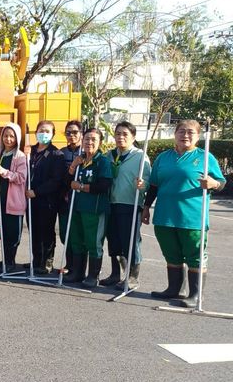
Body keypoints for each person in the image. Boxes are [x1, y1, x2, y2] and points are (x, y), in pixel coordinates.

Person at [143, 119, 225, 307]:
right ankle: (175, 289)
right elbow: (154, 185)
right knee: (171, 253)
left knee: (195, 255)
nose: (185, 135)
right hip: (165, 216)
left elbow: (221, 182)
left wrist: (213, 183)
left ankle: (195, 295)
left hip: (192, 218)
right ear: (175, 134)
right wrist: (146, 207)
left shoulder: (205, 157)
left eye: (190, 132)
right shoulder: (163, 158)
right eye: (181, 131)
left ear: (198, 136)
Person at [100, 121, 151, 289]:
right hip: (110, 202)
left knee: (130, 241)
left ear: (133, 137)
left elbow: (148, 182)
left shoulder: (140, 156)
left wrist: (142, 185)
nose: (120, 137)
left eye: (125, 134)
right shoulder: (109, 155)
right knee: (113, 239)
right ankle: (115, 274)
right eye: (117, 133)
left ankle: (132, 276)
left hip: (130, 203)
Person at [63, 128, 112, 287]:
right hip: (76, 206)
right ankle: (77, 273)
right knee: (76, 240)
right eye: (86, 139)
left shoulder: (103, 161)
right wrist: (73, 166)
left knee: (93, 242)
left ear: (100, 142)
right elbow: (67, 182)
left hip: (94, 209)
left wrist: (82, 187)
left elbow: (104, 185)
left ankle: (92, 275)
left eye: (93, 140)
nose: (89, 142)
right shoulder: (79, 160)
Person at [26, 120, 64, 274]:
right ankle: (36, 260)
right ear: (36, 132)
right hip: (30, 200)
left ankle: (47, 262)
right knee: (34, 230)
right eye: (41, 130)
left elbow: (56, 180)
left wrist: (37, 192)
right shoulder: (30, 151)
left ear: (53, 134)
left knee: (46, 232)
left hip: (46, 200)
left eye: (47, 131)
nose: (44, 134)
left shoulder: (56, 154)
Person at [0, 123, 28, 272]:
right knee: (3, 232)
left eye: (12, 136)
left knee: (13, 235)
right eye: (5, 136)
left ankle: (10, 262)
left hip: (13, 201)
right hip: (1, 200)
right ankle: (5, 260)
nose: (8, 139)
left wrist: (3, 172)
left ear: (17, 138)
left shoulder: (20, 156)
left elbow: (21, 178)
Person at [59, 121, 83, 271]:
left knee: (78, 235)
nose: (71, 135)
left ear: (81, 134)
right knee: (65, 234)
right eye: (68, 132)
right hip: (64, 200)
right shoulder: (61, 153)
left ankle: (79, 267)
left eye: (75, 132)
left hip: (81, 199)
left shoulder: (86, 151)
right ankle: (69, 264)